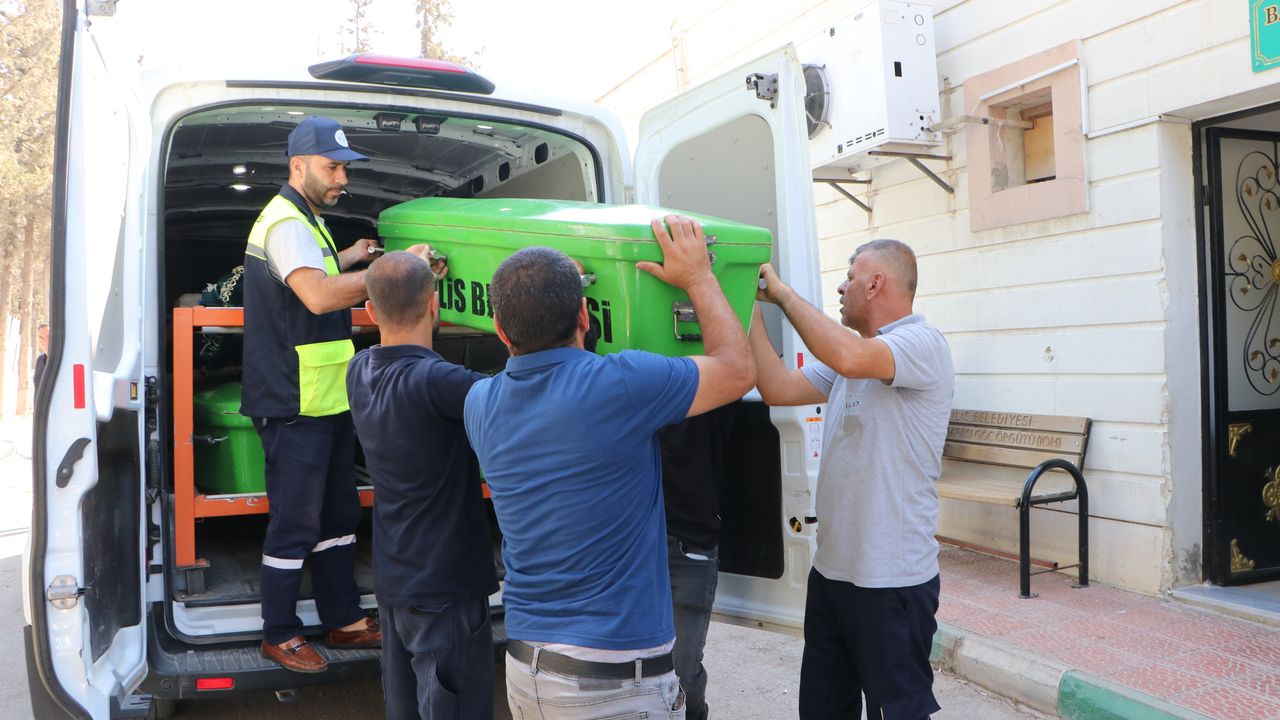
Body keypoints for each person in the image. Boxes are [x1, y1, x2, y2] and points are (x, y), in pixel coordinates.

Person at [464, 216, 756, 719]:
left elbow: (555, 375)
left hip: (527, 669)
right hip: (612, 682)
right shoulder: (621, 387)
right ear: (584, 314)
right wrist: (699, 278)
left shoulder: (480, 401)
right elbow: (737, 371)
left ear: (498, 328)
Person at [240, 115, 431, 673]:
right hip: (293, 400)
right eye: (332, 166)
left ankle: (343, 621)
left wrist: (353, 257)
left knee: (338, 514)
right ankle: (279, 631)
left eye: (344, 167)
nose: (342, 178)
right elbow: (319, 297)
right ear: (297, 165)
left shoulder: (307, 221)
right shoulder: (285, 224)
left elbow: (321, 272)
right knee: (297, 520)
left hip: (326, 397)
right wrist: (396, 270)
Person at [748, 239, 954, 720]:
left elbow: (849, 358)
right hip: (833, 575)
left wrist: (782, 295)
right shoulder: (853, 357)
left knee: (897, 712)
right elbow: (777, 388)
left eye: (848, 276)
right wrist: (745, 307)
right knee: (823, 711)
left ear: (875, 282)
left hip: (891, 582)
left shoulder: (920, 344)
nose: (840, 287)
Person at [347, 251, 497, 719]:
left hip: (395, 582)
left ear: (370, 312)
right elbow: (522, 394)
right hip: (446, 586)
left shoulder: (359, 371)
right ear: (435, 307)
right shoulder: (440, 382)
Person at [659, 407, 735, 720]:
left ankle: (695, 712)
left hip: (691, 547)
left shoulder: (711, 395)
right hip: (639, 548)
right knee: (637, 670)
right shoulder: (634, 390)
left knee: (682, 671)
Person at [33, 323, 48, 390]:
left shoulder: (59, 359)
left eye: (48, 337)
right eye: (41, 338)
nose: (45, 341)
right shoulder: (40, 360)